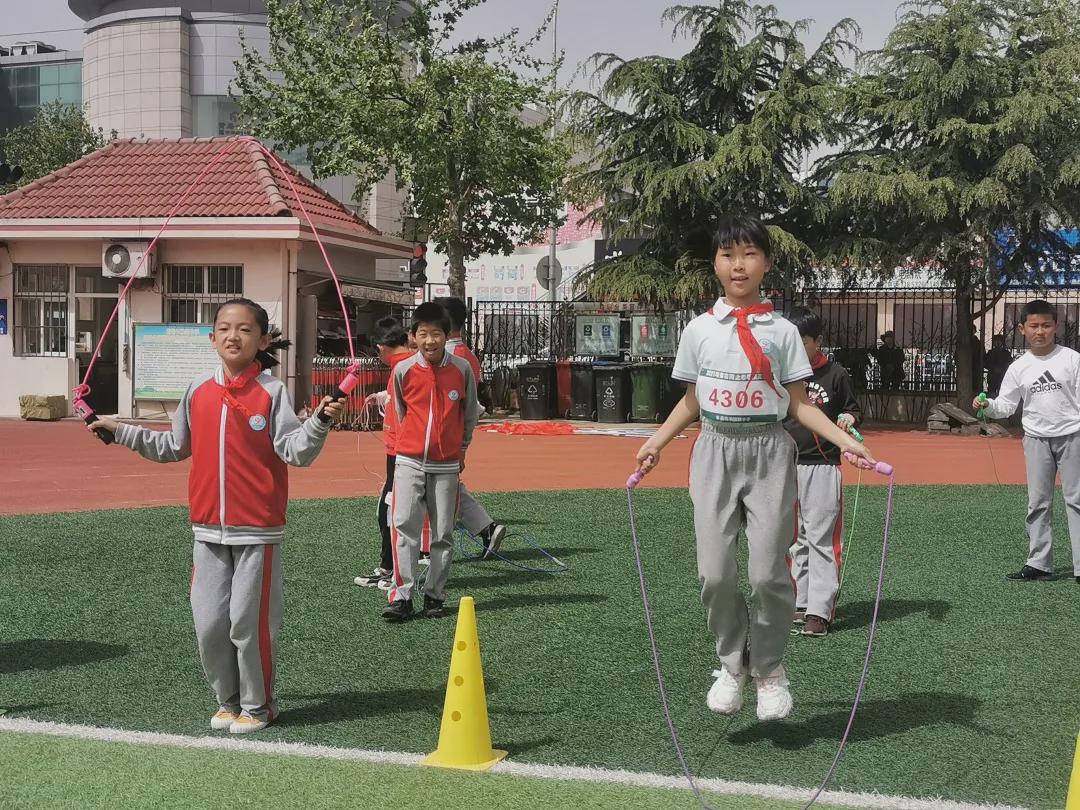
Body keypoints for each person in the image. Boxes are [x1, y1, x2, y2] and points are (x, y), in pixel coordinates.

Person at [634, 214, 875, 722]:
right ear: (715, 265)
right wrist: (656, 442)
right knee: (715, 573)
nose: (738, 264)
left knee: (768, 575)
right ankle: (731, 665)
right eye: (727, 255)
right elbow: (691, 402)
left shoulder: (784, 332)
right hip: (714, 451)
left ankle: (767, 669)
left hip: (770, 451)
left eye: (748, 254)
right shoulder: (699, 330)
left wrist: (845, 443)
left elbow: (800, 406)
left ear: (766, 262)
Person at [88, 298, 344, 733]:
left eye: (244, 329)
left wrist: (319, 421)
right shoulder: (198, 390)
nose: (233, 336)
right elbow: (173, 446)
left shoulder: (272, 392)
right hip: (206, 531)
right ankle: (227, 701)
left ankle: (259, 707)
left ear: (262, 340)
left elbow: (295, 452)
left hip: (257, 531)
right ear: (211, 338)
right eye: (224, 328)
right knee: (209, 623)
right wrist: (120, 430)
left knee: (249, 623)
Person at [972, 300, 1080, 584]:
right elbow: (1005, 406)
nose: (1040, 331)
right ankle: (1039, 563)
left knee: (1077, 500)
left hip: (1073, 436)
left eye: (1046, 325)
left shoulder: (1072, 359)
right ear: (1022, 329)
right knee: (1037, 502)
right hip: (1035, 440)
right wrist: (986, 406)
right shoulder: (1019, 367)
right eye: (1034, 326)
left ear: (1056, 326)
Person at [383, 302, 479, 621]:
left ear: (445, 335)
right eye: (422, 334)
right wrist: (406, 448)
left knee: (442, 533)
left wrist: (461, 448)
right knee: (404, 527)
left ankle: (435, 596)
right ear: (413, 336)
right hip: (409, 461)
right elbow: (400, 412)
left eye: (435, 334)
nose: (429, 341)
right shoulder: (403, 370)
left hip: (447, 465)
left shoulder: (461, 370)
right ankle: (402, 596)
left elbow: (468, 416)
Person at [783, 307, 862, 638]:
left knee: (821, 537)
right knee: (792, 538)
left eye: (804, 342)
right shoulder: (781, 375)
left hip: (823, 464)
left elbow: (852, 409)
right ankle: (798, 602)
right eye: (792, 342)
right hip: (785, 464)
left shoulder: (836, 374)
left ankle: (820, 610)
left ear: (818, 341)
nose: (798, 349)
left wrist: (848, 420)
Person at [434, 295, 507, 557]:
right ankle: (485, 528)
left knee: (440, 486)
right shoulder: (467, 355)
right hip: (453, 433)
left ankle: (484, 528)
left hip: (443, 434)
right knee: (448, 485)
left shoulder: (451, 356)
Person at [353, 317, 413, 590]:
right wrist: (382, 397)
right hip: (405, 451)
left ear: (380, 347)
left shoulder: (403, 367)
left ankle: (392, 570)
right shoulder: (407, 366)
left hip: (402, 452)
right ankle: (393, 568)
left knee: (389, 511)